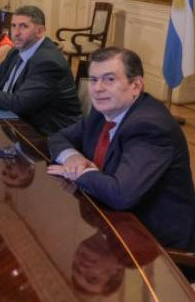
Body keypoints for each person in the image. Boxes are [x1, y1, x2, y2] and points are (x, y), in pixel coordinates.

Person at [47, 47, 195, 252]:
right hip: (112, 224)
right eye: (93, 79)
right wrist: (72, 157)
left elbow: (120, 194)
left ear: (136, 85)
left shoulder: (150, 127)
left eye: (109, 79)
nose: (98, 88)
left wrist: (76, 173)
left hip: (156, 247)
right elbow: (58, 137)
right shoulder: (103, 112)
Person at [0, 5, 81, 135]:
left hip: (47, 134)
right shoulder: (15, 52)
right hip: (13, 122)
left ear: (40, 31)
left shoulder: (47, 61)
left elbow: (20, 103)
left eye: (23, 26)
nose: (16, 33)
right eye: (13, 26)